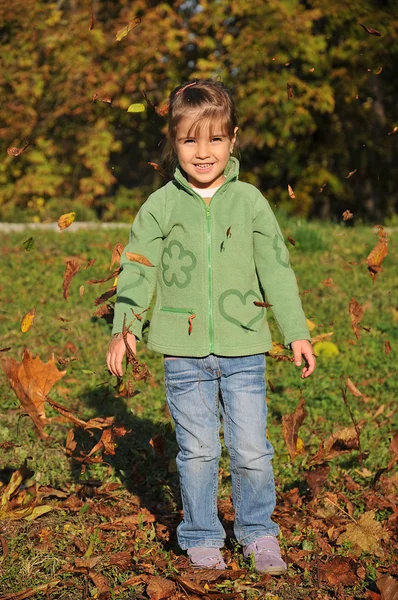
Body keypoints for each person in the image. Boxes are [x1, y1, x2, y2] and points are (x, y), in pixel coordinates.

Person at [107, 79, 316, 574]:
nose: (203, 152)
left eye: (215, 139)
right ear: (173, 141)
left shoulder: (250, 203)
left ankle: (258, 533)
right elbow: (138, 267)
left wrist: (296, 331)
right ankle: (201, 535)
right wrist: (126, 324)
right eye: (190, 140)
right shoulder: (160, 206)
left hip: (244, 350)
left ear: (233, 138)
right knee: (198, 451)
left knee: (251, 450)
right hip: (183, 355)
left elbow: (277, 270)